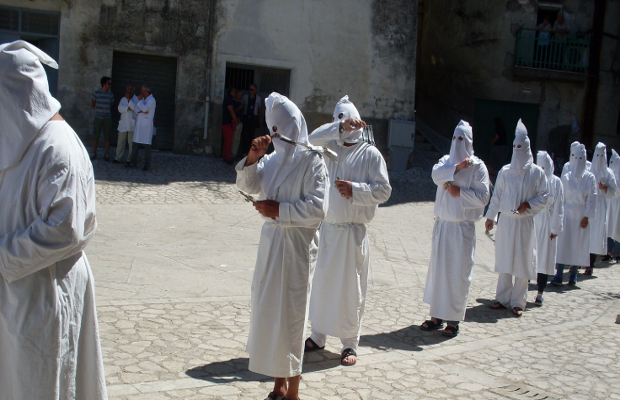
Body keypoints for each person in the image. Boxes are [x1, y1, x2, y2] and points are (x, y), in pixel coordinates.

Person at [0, 40, 107, 399]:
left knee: (44, 382)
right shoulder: (21, 143)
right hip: (18, 295)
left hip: (47, 294)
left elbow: (66, 229)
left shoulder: (57, 147)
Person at [236, 93, 328, 400]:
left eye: (282, 130)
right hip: (272, 245)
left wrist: (280, 210)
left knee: (292, 315)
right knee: (272, 311)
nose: (278, 137)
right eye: (273, 131)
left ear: (296, 125)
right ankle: (278, 383)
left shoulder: (313, 160)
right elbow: (248, 185)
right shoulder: (273, 160)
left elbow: (317, 208)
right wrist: (252, 157)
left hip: (298, 247)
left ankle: (294, 392)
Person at [305, 96, 392, 365]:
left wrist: (356, 190)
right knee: (322, 286)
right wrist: (339, 128)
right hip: (328, 230)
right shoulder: (329, 148)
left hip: (352, 233)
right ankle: (318, 335)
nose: (343, 127)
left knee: (350, 289)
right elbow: (311, 138)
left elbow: (384, 190)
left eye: (347, 120)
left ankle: (349, 343)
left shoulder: (370, 153)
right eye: (338, 121)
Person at [419, 121, 490, 336]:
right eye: (455, 138)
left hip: (462, 230)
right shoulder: (445, 162)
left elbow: (484, 196)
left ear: (469, 141)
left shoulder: (478, 167)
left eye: (462, 139)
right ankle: (436, 315)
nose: (458, 143)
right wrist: (457, 168)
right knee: (440, 272)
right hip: (443, 227)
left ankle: (453, 319)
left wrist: (462, 193)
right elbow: (435, 176)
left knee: (457, 274)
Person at [485, 119, 548, 316]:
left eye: (521, 147)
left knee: (522, 261)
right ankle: (502, 298)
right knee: (504, 260)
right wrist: (491, 216)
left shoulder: (537, 173)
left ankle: (519, 301)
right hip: (508, 219)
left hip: (524, 222)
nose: (517, 150)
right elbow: (498, 196)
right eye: (515, 147)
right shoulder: (505, 171)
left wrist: (528, 205)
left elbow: (544, 196)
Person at [552, 144, 596, 285]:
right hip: (566, 213)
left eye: (581, 158)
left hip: (580, 214)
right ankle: (558, 274)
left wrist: (587, 216)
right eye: (576, 157)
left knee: (577, 244)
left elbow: (592, 197)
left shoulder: (590, 178)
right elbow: (561, 196)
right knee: (563, 244)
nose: (578, 161)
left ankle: (574, 275)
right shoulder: (566, 176)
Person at [533, 151, 564, 305]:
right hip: (533, 221)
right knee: (530, 255)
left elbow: (559, 207)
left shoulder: (557, 183)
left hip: (547, 222)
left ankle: (540, 291)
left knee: (544, 258)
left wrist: (555, 229)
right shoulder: (533, 178)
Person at [587, 142, 617, 276]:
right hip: (590, 203)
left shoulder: (609, 172)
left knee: (594, 235)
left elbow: (614, 191)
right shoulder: (589, 169)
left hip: (600, 206)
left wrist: (605, 188)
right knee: (585, 234)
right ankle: (579, 262)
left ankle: (591, 264)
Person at [127, 84, 156, 171]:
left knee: (147, 147)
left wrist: (140, 103)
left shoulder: (152, 100)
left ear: (145, 91)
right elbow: (136, 110)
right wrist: (142, 109)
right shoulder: (144, 99)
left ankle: (146, 165)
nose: (140, 92)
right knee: (135, 144)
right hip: (139, 125)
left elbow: (145, 109)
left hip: (146, 127)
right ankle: (133, 162)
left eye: (142, 90)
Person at [91, 75, 115, 161]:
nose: (110, 85)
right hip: (98, 117)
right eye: (109, 83)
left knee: (107, 137)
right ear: (104, 84)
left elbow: (111, 105)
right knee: (96, 136)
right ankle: (94, 153)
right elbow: (93, 104)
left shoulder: (110, 94)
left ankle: (106, 154)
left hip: (107, 118)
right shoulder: (96, 93)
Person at [236, 83, 262, 160]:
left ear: (255, 90)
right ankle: (244, 152)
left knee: (252, 136)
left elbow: (259, 109)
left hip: (253, 118)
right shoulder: (245, 97)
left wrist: (257, 118)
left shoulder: (258, 98)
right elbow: (242, 105)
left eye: (252, 89)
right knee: (245, 135)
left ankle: (250, 153)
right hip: (246, 117)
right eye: (250, 89)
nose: (250, 91)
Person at [114, 83, 138, 163]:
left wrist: (130, 101)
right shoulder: (123, 99)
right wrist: (128, 108)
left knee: (131, 143)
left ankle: (130, 159)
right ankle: (118, 157)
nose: (129, 90)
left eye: (131, 89)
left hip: (132, 124)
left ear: (133, 90)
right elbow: (120, 109)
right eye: (128, 89)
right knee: (120, 142)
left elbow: (135, 108)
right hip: (123, 124)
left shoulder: (136, 99)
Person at [605, 149, 620, 262]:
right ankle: (608, 251)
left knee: (617, 228)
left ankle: (618, 252)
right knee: (609, 227)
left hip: (618, 205)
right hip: (610, 203)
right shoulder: (609, 175)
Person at [222, 87, 239, 164]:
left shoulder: (228, 99)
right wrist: (236, 120)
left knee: (227, 141)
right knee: (229, 141)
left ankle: (225, 156)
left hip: (226, 122)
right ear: (231, 92)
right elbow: (231, 111)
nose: (235, 94)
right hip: (228, 123)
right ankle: (228, 158)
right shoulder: (229, 100)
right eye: (235, 92)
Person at [231, 89, 244, 161]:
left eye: (241, 95)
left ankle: (235, 153)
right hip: (236, 123)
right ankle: (232, 154)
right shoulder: (234, 103)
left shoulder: (240, 103)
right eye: (239, 95)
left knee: (237, 140)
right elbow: (234, 112)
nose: (240, 96)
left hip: (240, 123)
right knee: (234, 139)